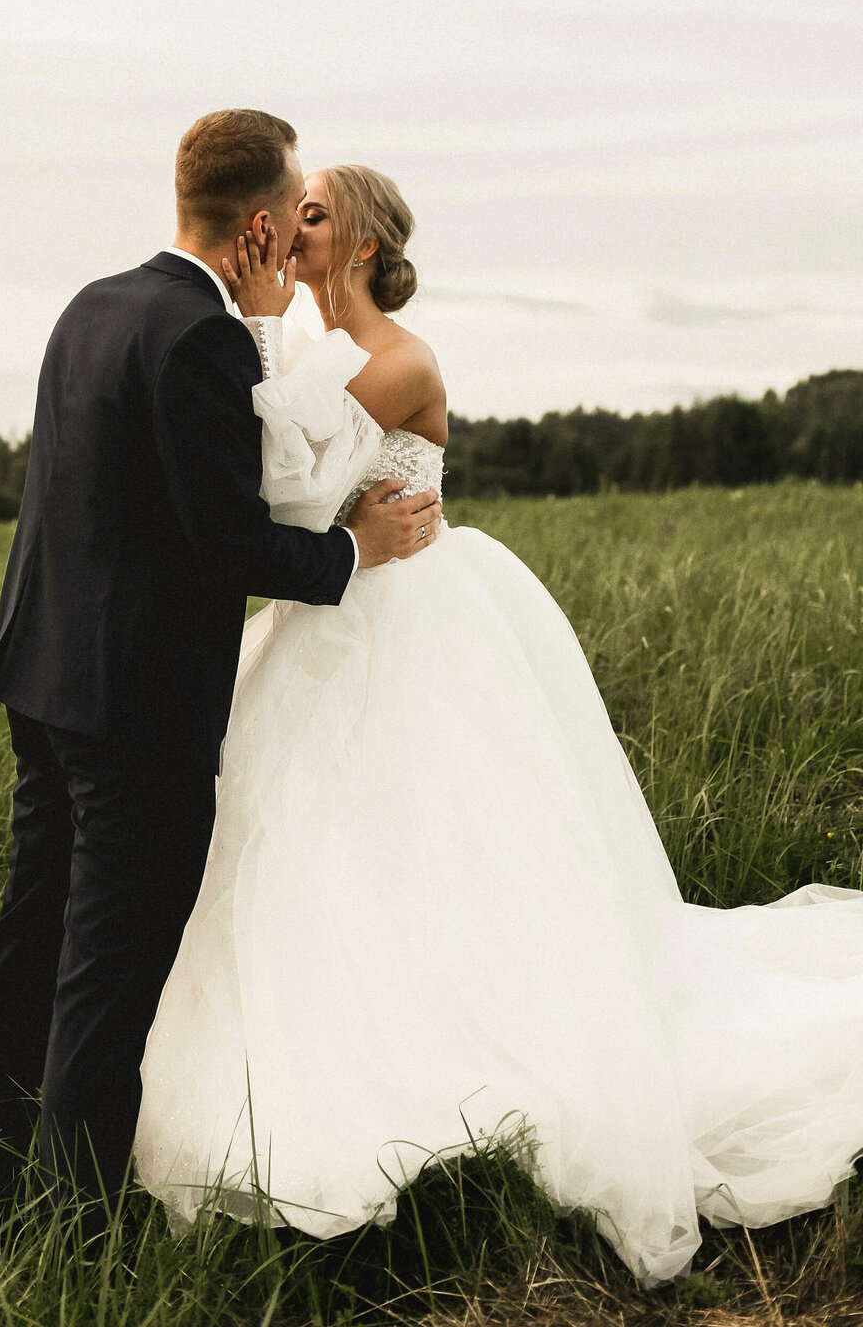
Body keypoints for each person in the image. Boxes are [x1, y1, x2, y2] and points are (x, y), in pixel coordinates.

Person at [135, 162, 863, 1288]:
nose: (295, 229)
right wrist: (274, 337)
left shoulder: (400, 360)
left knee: (439, 848)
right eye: (294, 215)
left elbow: (284, 483)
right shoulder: (320, 354)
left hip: (406, 627)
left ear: (366, 243)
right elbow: (279, 482)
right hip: (318, 624)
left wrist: (268, 324)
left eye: (317, 215)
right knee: (300, 851)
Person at [0, 113, 442, 1225]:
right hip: (135, 704)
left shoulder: (96, 303)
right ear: (264, 226)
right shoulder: (204, 338)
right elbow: (228, 540)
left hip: (42, 671)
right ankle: (71, 1222)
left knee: (34, 929)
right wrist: (354, 551)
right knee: (109, 966)